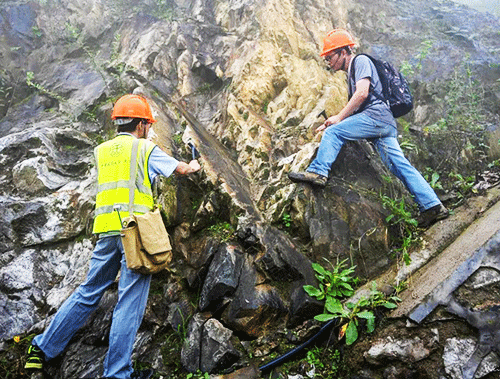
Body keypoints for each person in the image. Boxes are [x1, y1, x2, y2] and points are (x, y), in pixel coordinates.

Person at [24, 94, 201, 379]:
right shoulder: (144, 148)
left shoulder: (102, 151)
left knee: (88, 292)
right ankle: (117, 373)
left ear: (118, 122)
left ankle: (42, 348)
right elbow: (181, 169)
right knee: (129, 302)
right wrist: (194, 165)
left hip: (106, 230)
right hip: (135, 233)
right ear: (142, 125)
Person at [288, 28, 449, 228]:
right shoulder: (352, 72)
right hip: (384, 123)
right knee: (399, 166)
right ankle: (432, 206)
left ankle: (318, 172)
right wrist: (338, 119)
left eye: (330, 57)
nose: (328, 62)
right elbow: (361, 102)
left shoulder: (360, 61)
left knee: (334, 132)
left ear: (343, 52)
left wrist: (339, 118)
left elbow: (363, 94)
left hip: (376, 118)